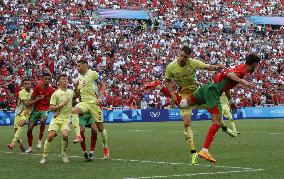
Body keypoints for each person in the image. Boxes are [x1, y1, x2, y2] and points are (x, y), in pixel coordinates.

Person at [145, 45, 226, 165]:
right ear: (179, 53)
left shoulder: (192, 63)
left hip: (196, 94)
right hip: (183, 96)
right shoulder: (171, 66)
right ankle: (193, 153)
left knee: (215, 111)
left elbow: (206, 66)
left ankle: (224, 127)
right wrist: (172, 92)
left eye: (185, 57)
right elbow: (167, 80)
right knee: (187, 123)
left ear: (188, 57)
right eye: (181, 55)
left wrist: (216, 67)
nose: (182, 58)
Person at [179, 54, 260, 163]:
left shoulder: (238, 66)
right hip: (213, 91)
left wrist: (230, 100)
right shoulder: (242, 71)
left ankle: (160, 87)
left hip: (207, 88)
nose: (257, 67)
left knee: (183, 104)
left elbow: (227, 83)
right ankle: (204, 150)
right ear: (254, 64)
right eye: (257, 65)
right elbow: (231, 75)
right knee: (216, 122)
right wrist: (244, 82)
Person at [72, 59, 109, 159]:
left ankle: (105, 147)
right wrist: (75, 86)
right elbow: (77, 94)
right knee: (73, 111)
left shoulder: (93, 73)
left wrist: (100, 97)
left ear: (84, 65)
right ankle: (78, 135)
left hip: (94, 103)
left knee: (100, 127)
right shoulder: (79, 78)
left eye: (79, 66)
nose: (77, 68)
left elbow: (103, 84)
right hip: (84, 103)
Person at [40, 74, 75, 163]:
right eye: (63, 79)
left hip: (66, 118)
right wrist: (62, 105)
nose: (65, 80)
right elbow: (51, 108)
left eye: (66, 78)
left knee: (65, 135)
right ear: (59, 82)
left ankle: (64, 154)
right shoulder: (55, 94)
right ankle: (44, 156)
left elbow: (76, 97)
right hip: (56, 118)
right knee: (51, 136)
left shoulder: (71, 92)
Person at [7, 78, 43, 151]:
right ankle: (21, 145)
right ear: (23, 85)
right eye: (25, 84)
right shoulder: (21, 92)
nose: (27, 85)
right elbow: (27, 104)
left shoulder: (33, 92)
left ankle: (12, 143)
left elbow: (38, 101)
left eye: (28, 83)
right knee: (16, 131)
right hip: (18, 112)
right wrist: (37, 99)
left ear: (31, 84)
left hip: (27, 112)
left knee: (22, 123)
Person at [26, 72, 55, 153]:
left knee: (42, 121)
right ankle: (30, 147)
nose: (47, 80)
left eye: (49, 79)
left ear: (50, 80)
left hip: (45, 109)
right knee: (30, 128)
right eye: (45, 78)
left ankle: (40, 140)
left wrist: (51, 102)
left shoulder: (52, 90)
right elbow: (32, 100)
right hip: (36, 110)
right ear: (42, 79)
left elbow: (54, 101)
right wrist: (37, 99)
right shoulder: (37, 88)